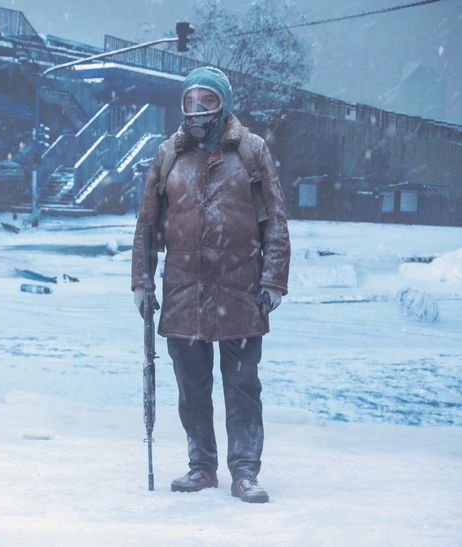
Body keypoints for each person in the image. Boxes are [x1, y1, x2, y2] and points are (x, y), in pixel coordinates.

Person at [131, 66, 290, 504]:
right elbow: (147, 224)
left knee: (242, 387)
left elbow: (275, 218)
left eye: (207, 101)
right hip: (183, 289)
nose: (197, 110)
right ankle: (201, 466)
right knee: (192, 388)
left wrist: (274, 278)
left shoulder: (252, 152)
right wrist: (142, 282)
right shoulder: (169, 155)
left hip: (241, 288)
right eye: (190, 101)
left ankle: (244, 471)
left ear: (224, 103)